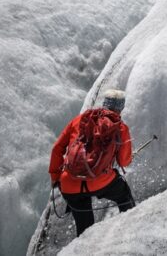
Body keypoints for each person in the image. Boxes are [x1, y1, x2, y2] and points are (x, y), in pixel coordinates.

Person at [49, 89, 135, 236]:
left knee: (84, 230)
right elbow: (124, 161)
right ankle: (130, 230)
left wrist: (56, 177)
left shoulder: (80, 119)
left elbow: (57, 149)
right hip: (101, 181)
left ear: (104, 104)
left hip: (70, 184)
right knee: (124, 196)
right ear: (121, 108)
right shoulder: (120, 127)